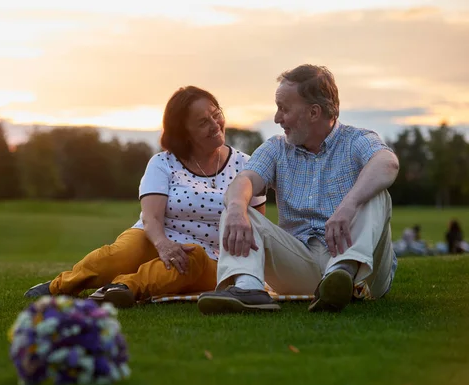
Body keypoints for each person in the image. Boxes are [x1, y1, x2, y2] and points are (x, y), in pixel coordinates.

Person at [24, 86, 266, 307]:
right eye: (203, 122)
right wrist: (163, 244)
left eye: (216, 114)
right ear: (185, 132)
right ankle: (61, 286)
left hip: (212, 258)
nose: (215, 124)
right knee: (120, 254)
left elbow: (257, 224)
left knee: (189, 259)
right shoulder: (163, 163)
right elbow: (151, 218)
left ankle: (123, 288)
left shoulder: (247, 166)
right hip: (155, 237)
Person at [197, 64, 400, 314]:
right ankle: (248, 289)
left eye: (284, 109)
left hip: (365, 270)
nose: (277, 118)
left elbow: (387, 163)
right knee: (236, 203)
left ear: (314, 112)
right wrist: (238, 209)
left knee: (377, 192)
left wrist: (349, 205)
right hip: (302, 262)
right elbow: (244, 180)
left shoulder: (356, 140)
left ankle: (343, 273)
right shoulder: (276, 148)